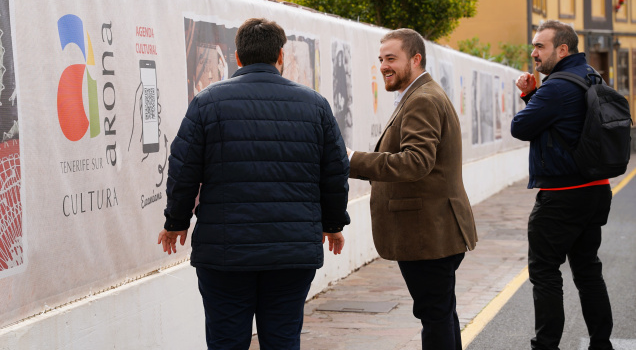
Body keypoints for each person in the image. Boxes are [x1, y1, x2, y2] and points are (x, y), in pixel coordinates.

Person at [158, 18, 350, 350]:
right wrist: (333, 224)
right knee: (283, 338)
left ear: (237, 56)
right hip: (292, 250)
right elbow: (334, 172)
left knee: (226, 340)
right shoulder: (315, 106)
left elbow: (183, 168)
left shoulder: (207, 103)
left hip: (225, 251)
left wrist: (176, 221)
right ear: (280, 55)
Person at [347, 28, 477, 350]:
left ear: (415, 59)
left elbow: (416, 161)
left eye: (392, 58)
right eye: (381, 59)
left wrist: (351, 160)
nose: (384, 66)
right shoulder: (422, 94)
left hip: (428, 234)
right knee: (441, 314)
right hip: (432, 231)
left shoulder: (422, 99)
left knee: (435, 317)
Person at [511, 20, 614, 350]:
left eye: (540, 46)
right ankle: (601, 344)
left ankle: (546, 346)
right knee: (587, 271)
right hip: (596, 189)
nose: (533, 53)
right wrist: (535, 93)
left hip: (562, 196)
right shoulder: (592, 77)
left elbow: (521, 127)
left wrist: (529, 93)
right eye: (534, 46)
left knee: (544, 272)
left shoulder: (556, 87)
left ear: (562, 49)